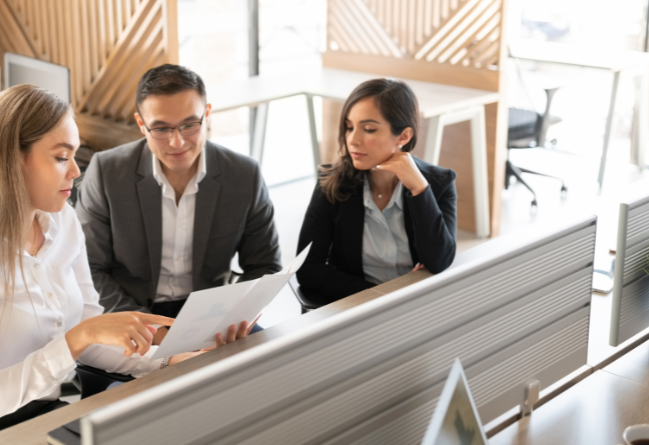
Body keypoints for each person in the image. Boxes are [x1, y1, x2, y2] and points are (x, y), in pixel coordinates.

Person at [0, 85, 248, 445]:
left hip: (37, 411)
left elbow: (89, 329)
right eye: (62, 157)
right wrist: (77, 338)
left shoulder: (61, 221)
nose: (77, 171)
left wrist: (166, 360)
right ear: (13, 161)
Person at [76, 64, 281, 330]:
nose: (177, 142)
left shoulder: (244, 174)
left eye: (189, 125)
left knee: (269, 364)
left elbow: (265, 266)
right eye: (161, 129)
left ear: (206, 115)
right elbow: (88, 269)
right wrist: (152, 329)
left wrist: (233, 316)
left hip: (213, 315)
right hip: (130, 313)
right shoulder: (107, 172)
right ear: (141, 124)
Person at [296, 78, 458, 303]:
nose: (353, 140)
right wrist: (384, 295)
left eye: (369, 129)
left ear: (403, 136)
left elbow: (440, 261)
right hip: (357, 308)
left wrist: (419, 189)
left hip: (418, 307)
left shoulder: (439, 183)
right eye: (349, 127)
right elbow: (307, 269)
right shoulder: (331, 181)